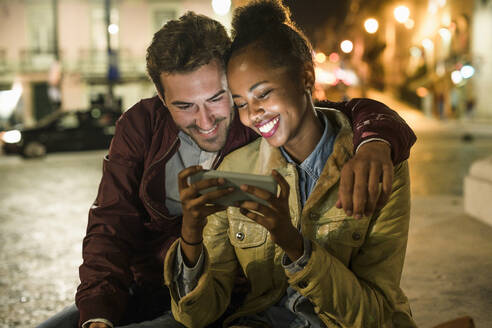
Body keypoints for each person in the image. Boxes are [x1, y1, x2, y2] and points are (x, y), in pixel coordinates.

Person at [37, 9, 416, 328]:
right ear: (162, 98)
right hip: (154, 285)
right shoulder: (142, 126)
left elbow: (333, 112)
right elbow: (110, 223)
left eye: (219, 98)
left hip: (233, 301)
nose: (205, 121)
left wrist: (377, 141)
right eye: (184, 105)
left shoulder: (260, 127)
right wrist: (99, 315)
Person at [164, 1, 416, 327]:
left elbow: (375, 315)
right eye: (240, 103)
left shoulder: (376, 165)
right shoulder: (237, 169)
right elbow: (197, 315)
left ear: (306, 78)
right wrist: (190, 237)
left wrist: (293, 245)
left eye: (264, 93)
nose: (253, 113)